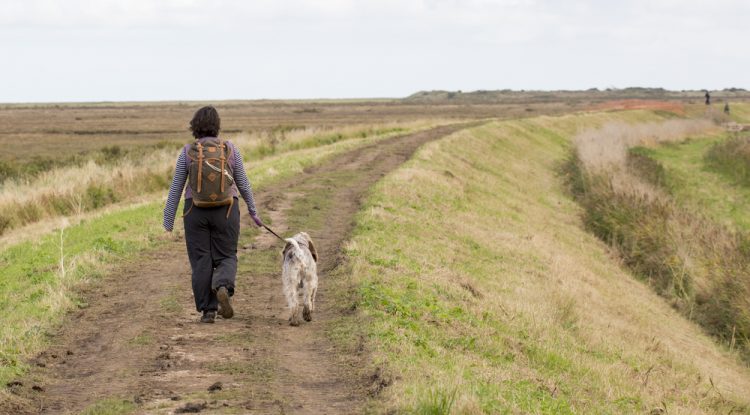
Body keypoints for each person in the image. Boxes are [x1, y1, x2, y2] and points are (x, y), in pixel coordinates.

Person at [163, 106, 264, 323]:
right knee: (227, 254)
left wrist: (168, 221)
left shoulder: (188, 152)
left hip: (195, 211)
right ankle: (223, 286)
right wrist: (253, 211)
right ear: (217, 126)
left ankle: (208, 311)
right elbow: (243, 183)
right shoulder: (230, 149)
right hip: (226, 209)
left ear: (194, 126)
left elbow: (176, 188)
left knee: (201, 260)